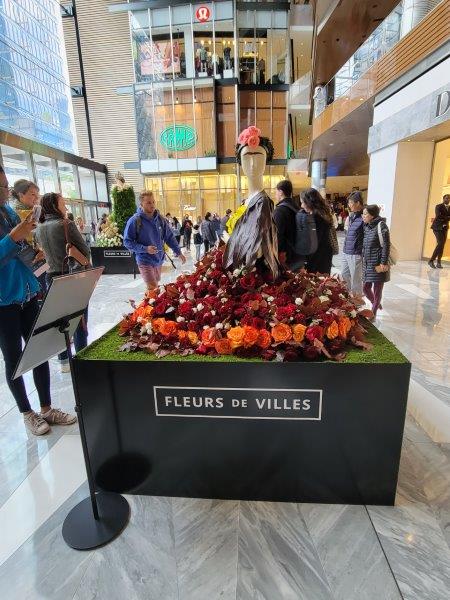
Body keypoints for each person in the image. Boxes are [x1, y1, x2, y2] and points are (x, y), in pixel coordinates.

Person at [0, 165, 76, 434]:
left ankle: (46, 408)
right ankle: (27, 412)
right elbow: (8, 248)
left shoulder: (9, 212)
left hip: (29, 293)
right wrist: (12, 238)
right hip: (4, 303)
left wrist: (38, 256)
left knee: (39, 349)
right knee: (14, 359)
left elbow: (24, 251)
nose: (7, 192)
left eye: (7, 186)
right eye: (3, 188)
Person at [36, 192, 91, 372]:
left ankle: (64, 361)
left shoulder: (39, 227)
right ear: (55, 206)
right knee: (79, 319)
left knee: (60, 321)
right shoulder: (66, 224)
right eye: (63, 204)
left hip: (51, 277)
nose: (66, 207)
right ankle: (82, 358)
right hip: (72, 276)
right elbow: (84, 251)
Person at [223, 126, 279, 279]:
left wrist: (230, 240)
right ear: (240, 162)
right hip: (244, 273)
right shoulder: (248, 201)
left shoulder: (262, 202)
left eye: (259, 156)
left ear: (266, 161)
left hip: (254, 276)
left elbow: (259, 251)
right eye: (247, 156)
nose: (253, 163)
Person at [124, 191, 186, 290]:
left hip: (158, 260)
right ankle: (150, 304)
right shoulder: (134, 221)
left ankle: (147, 305)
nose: (152, 205)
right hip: (144, 260)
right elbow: (127, 242)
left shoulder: (161, 219)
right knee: (153, 288)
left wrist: (178, 252)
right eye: (148, 203)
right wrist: (145, 249)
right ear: (141, 204)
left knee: (154, 289)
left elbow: (169, 237)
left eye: (153, 202)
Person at [362, 204, 390, 318]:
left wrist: (383, 262)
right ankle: (376, 303)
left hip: (378, 264)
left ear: (372, 215)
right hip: (368, 264)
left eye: (365, 214)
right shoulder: (368, 227)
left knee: (377, 290)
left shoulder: (381, 226)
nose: (363, 216)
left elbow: (386, 245)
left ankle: (373, 314)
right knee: (365, 288)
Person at [300, 188, 333, 275]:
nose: (301, 206)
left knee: (316, 285)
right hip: (324, 256)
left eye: (303, 202)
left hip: (316, 260)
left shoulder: (315, 218)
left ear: (309, 202)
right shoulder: (322, 214)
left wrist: (304, 261)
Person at [273, 179, 303, 271]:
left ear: (281, 192)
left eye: (276, 192)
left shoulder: (280, 210)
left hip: (286, 257)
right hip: (299, 254)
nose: (275, 195)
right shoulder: (297, 207)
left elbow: (277, 235)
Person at [341, 191, 364, 297]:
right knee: (344, 275)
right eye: (348, 203)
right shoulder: (352, 216)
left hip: (356, 253)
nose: (349, 205)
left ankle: (357, 300)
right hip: (347, 251)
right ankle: (346, 298)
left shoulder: (364, 217)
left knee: (356, 279)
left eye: (351, 203)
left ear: (358, 203)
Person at [429, 194, 450, 269]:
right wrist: (447, 217)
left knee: (442, 245)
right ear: (443, 199)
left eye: (449, 199)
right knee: (440, 243)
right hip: (437, 227)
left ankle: (438, 262)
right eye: (446, 198)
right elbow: (438, 216)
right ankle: (431, 260)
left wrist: (445, 217)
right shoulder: (438, 206)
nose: (448, 200)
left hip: (445, 228)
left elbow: (443, 217)